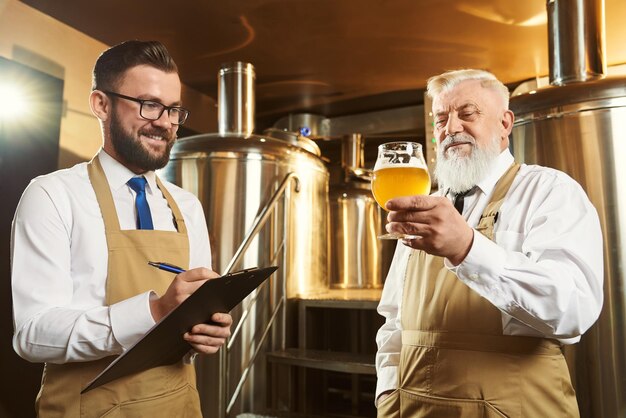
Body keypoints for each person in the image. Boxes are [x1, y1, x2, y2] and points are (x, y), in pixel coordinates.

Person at [11, 40, 232, 417]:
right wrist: (153, 311)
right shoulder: (52, 195)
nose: (164, 122)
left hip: (179, 405)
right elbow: (32, 335)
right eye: (149, 104)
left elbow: (189, 318)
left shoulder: (188, 207)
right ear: (101, 104)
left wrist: (205, 333)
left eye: (173, 109)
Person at [375, 69, 603, 417]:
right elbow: (394, 319)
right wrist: (388, 396)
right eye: (441, 119)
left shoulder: (548, 190)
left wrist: (467, 248)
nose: (451, 129)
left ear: (505, 124)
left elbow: (572, 309)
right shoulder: (425, 203)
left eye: (467, 114)